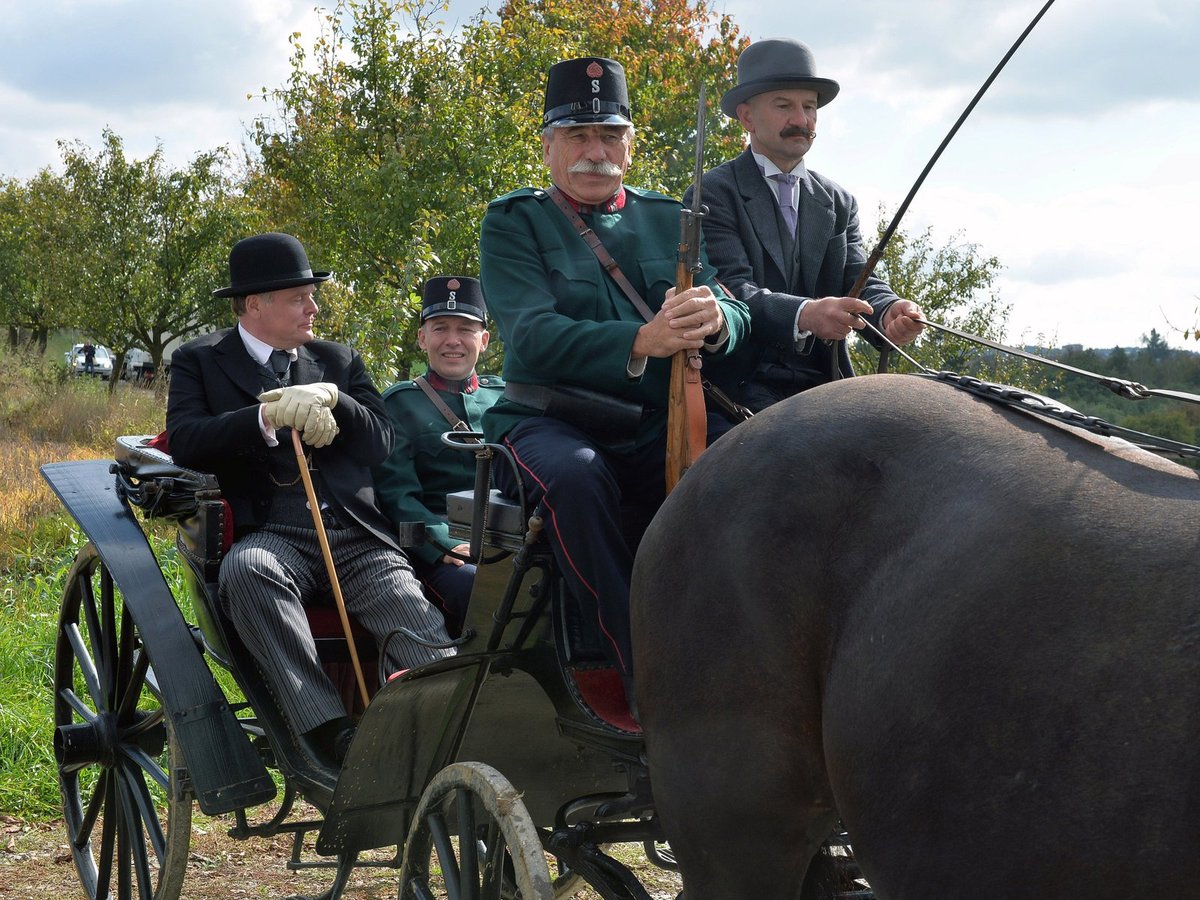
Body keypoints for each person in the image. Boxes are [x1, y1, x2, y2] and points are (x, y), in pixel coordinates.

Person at [479, 56, 750, 710]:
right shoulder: (516, 221)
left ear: (630, 145)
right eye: (577, 137)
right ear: (548, 145)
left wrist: (717, 320)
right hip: (552, 420)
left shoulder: (669, 218)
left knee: (761, 468)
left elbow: (733, 307)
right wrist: (639, 339)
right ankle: (640, 680)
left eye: (609, 136)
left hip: (664, 423)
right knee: (576, 477)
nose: (595, 152)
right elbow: (532, 334)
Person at [165, 232, 454, 769]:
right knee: (247, 572)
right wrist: (264, 417)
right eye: (300, 297)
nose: (314, 308)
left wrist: (333, 397)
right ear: (256, 304)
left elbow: (380, 441)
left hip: (358, 539)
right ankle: (328, 733)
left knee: (412, 614)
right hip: (271, 537)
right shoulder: (199, 361)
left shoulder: (339, 360)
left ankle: (434, 729)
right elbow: (186, 440)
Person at [693, 38, 925, 412]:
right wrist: (807, 315)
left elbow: (859, 279)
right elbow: (732, 290)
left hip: (827, 384)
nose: (801, 120)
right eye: (784, 106)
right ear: (747, 117)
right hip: (738, 389)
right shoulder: (714, 193)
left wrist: (889, 312)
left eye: (809, 107)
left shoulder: (838, 201)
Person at [375, 276, 503, 633]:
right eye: (440, 328)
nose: (453, 340)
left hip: (510, 542)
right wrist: (442, 543)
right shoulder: (399, 405)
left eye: (466, 329)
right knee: (481, 589)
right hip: (442, 556)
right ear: (422, 339)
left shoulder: (506, 400)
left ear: (484, 340)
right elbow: (396, 495)